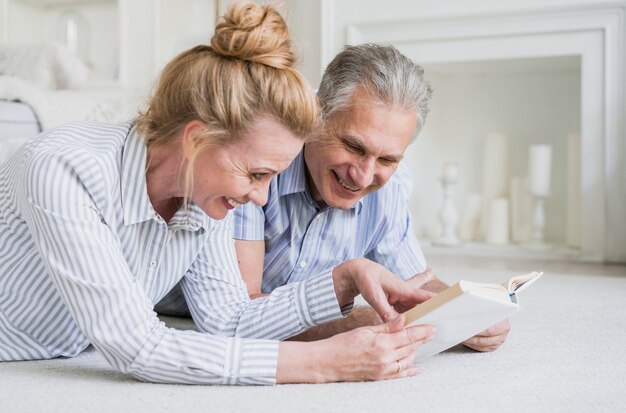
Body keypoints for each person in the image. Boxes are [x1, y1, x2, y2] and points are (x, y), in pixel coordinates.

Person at [0, 2, 436, 384]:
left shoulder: (203, 197)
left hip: (66, 352)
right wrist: (322, 363)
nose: (262, 198)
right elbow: (136, 346)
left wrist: (345, 278)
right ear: (196, 140)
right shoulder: (65, 168)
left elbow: (229, 320)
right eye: (256, 174)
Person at [232, 43, 510, 351]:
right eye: (354, 147)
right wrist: (362, 323)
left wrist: (467, 309)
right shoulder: (260, 159)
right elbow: (241, 314)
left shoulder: (390, 188)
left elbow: (414, 282)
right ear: (316, 115)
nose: (364, 177)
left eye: (387, 160)